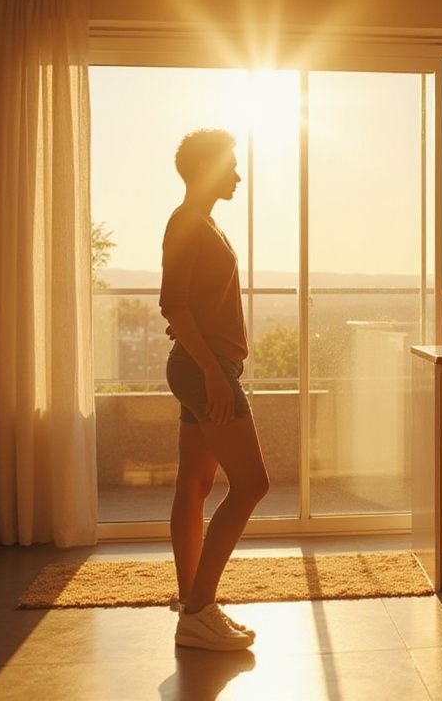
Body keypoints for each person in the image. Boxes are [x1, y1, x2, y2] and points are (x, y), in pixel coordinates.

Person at [159, 129, 269, 651]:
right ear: (206, 168)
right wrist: (211, 373)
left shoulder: (201, 223)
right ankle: (199, 607)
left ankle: (193, 610)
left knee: (196, 486)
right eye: (230, 165)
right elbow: (174, 305)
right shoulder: (186, 222)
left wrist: (205, 360)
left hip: (203, 366)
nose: (238, 175)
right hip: (205, 371)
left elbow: (188, 306)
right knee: (252, 485)